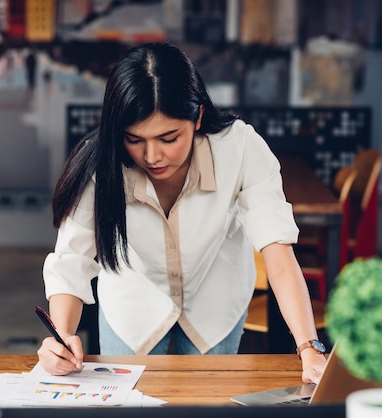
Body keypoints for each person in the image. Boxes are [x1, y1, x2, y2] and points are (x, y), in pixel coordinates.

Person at [37, 42, 327, 384]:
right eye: (134, 139)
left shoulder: (240, 148)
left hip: (215, 302)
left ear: (198, 116)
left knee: (207, 404)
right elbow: (72, 259)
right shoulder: (100, 163)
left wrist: (310, 348)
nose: (152, 155)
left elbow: (278, 254)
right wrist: (61, 337)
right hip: (133, 304)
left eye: (168, 137)